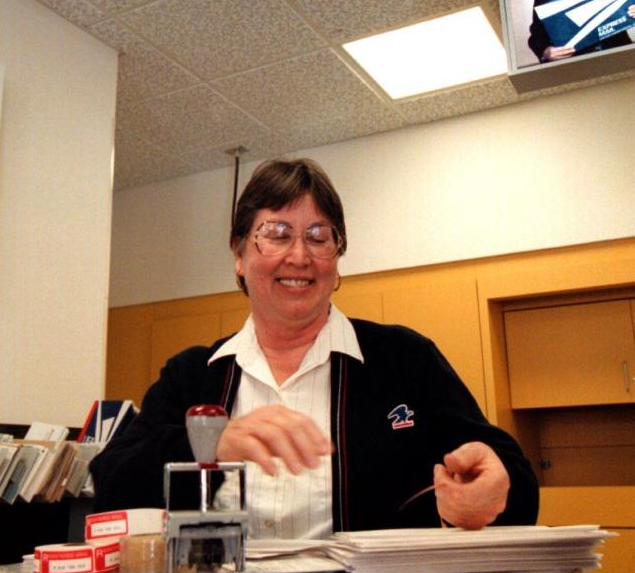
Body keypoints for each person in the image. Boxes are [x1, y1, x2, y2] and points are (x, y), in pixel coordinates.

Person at [90, 158, 538, 537]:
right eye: (278, 233)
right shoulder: (193, 375)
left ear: (337, 256)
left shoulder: (405, 359)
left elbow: (510, 475)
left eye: (319, 236)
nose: (299, 256)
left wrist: (496, 488)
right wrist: (212, 444)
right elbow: (112, 483)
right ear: (240, 255)